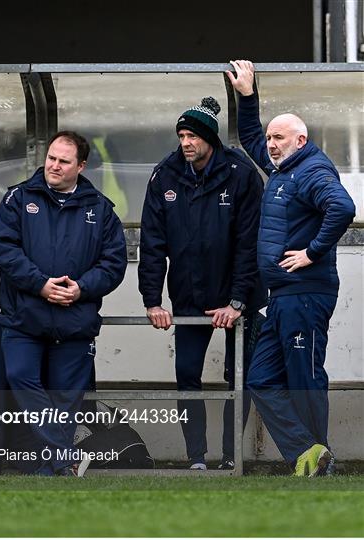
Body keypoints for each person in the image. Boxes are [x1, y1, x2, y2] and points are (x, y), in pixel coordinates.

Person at [226, 60, 356, 476]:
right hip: (280, 298)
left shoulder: (312, 170)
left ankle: (321, 462)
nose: (271, 144)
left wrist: (312, 253)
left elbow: (343, 208)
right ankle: (308, 453)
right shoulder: (284, 169)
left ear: (301, 139)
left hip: (306, 294)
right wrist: (248, 95)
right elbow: (249, 136)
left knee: (304, 379)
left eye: (279, 137)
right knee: (261, 380)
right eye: (270, 138)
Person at [138, 97, 267, 470]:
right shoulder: (164, 175)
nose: (185, 142)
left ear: (209, 138)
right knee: (187, 375)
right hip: (190, 296)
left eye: (192, 135)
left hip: (237, 299)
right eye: (181, 135)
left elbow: (250, 243)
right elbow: (152, 242)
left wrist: (238, 300)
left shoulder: (240, 173)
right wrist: (152, 300)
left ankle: (230, 456)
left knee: (236, 378)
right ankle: (196, 457)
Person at [0, 130, 127, 476]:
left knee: (67, 400)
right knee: (20, 375)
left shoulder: (101, 209)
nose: (53, 165)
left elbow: (114, 264)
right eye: (50, 157)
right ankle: (65, 455)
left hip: (74, 319)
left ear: (80, 166)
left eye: (63, 161)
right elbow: (4, 251)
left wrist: (81, 289)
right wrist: (40, 285)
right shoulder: (18, 199)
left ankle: (52, 472)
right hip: (25, 316)